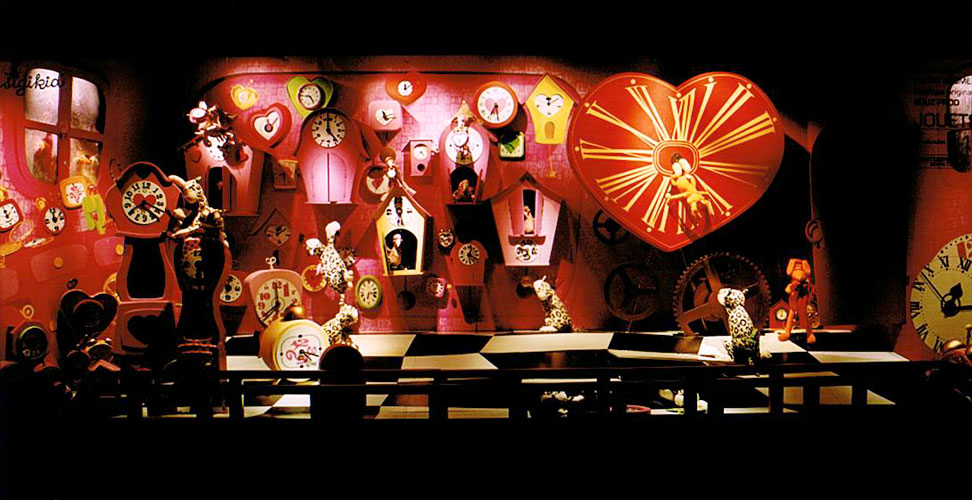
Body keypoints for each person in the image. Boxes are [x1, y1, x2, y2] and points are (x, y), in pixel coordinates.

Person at [665, 153, 713, 231]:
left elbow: (674, 196)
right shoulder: (688, 191)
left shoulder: (687, 193)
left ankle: (698, 220)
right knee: (698, 206)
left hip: (688, 185)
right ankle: (698, 219)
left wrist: (670, 198)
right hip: (687, 185)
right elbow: (674, 191)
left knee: (697, 206)